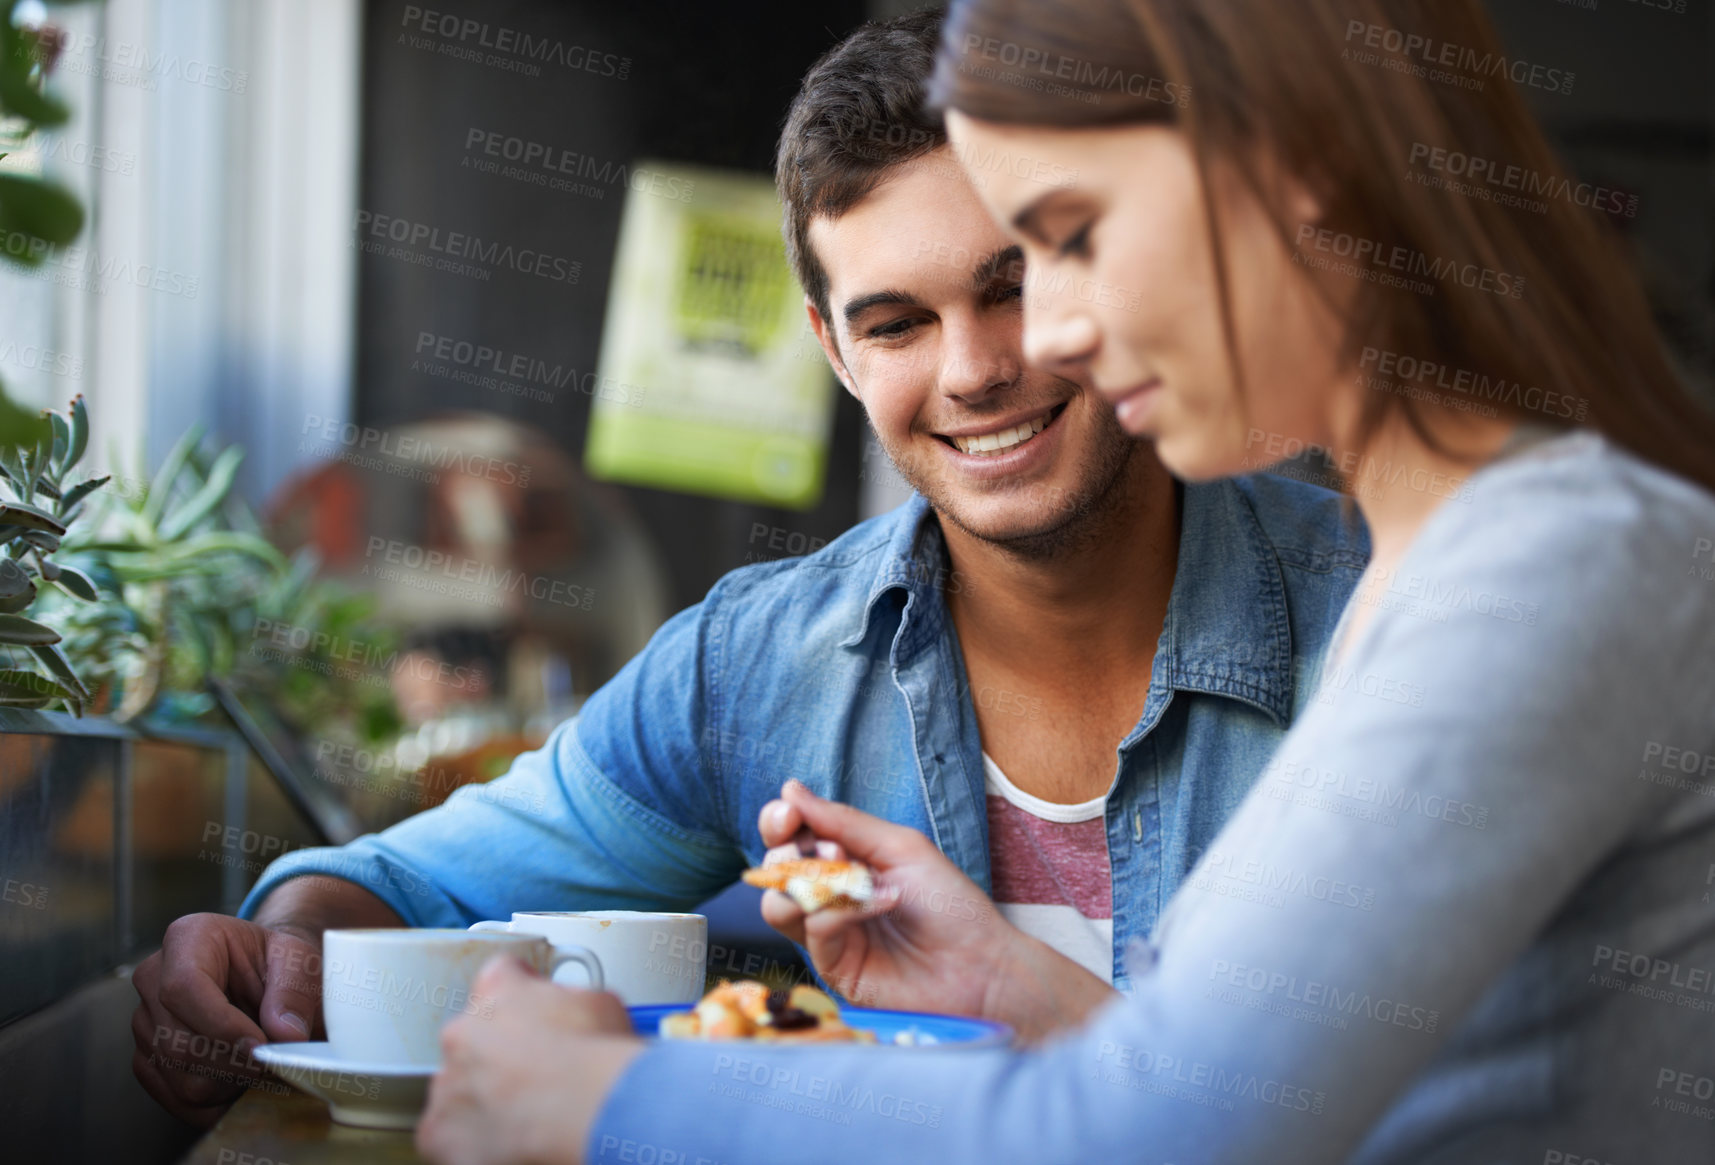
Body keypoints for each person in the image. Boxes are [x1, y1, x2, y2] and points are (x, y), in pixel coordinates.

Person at [413, 1, 1715, 1163]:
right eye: (904, 318)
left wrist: (597, 1097)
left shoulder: (1556, 565)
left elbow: (1149, 1133)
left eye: (1068, 240)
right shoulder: (1450, 563)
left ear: (1293, 171)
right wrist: (1012, 985)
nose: (1056, 334)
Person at [130, 10, 1366, 1126]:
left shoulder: (1380, 609)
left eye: (1015, 288)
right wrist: (275, 946)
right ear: (833, 349)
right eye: (897, 322)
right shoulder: (753, 666)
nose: (975, 369)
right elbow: (412, 882)